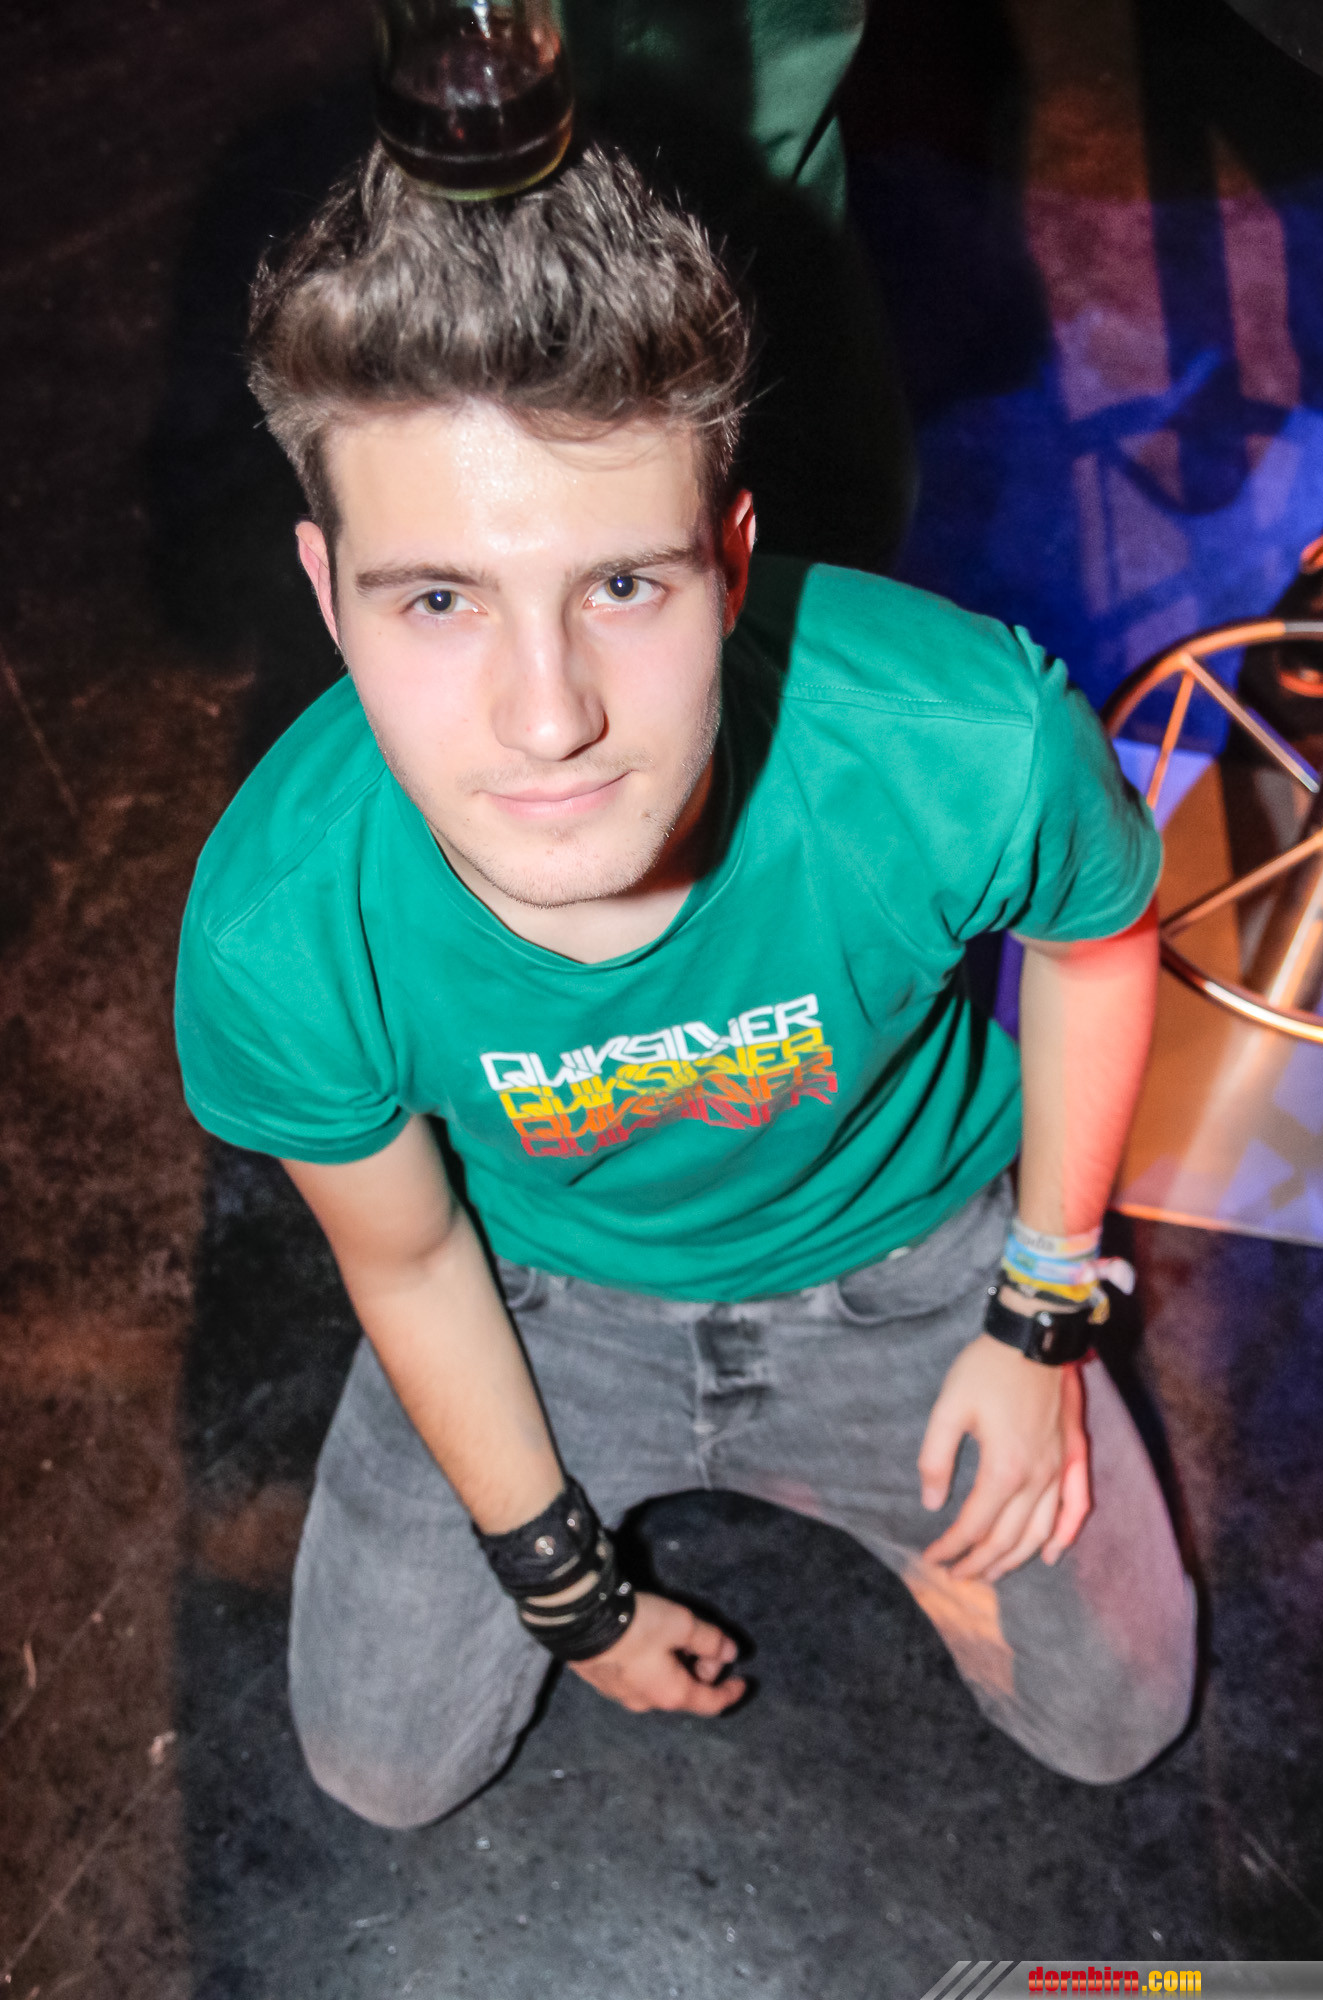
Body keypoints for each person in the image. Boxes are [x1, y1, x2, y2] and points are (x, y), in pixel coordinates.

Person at [175, 143, 1195, 1830]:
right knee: (381, 1767)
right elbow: (411, 1255)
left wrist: (1041, 1307)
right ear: (326, 597)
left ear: (727, 558)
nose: (548, 717)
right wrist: (572, 1594)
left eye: (622, 585)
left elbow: (1092, 944)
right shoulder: (280, 928)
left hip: (908, 1262)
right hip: (537, 1294)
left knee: (1116, 1717)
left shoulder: (961, 742)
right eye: (439, 598)